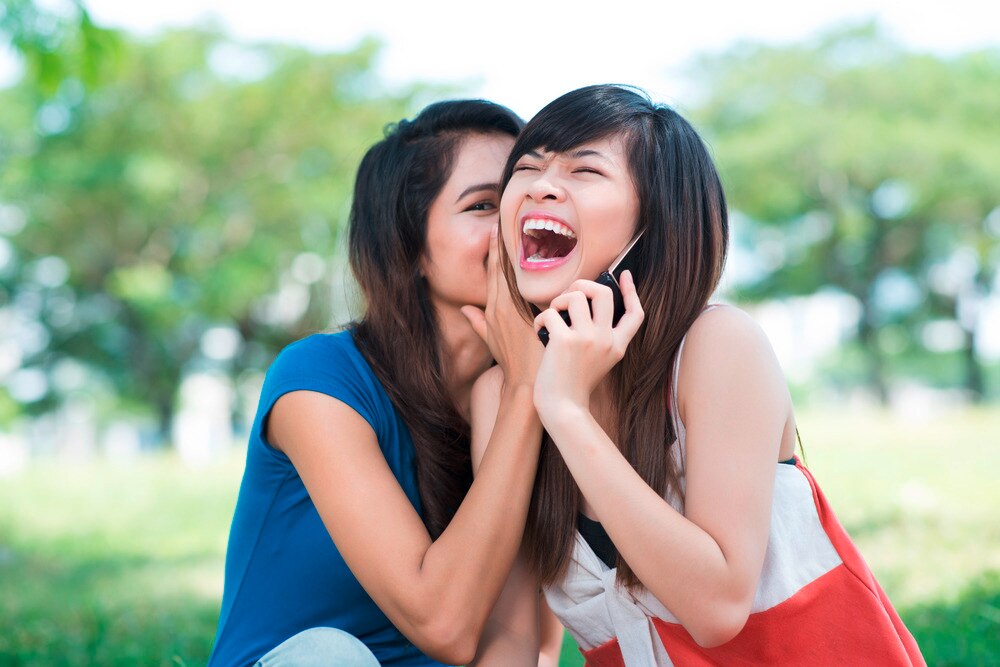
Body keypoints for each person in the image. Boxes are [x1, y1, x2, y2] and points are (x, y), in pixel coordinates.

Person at [470, 85, 925, 665]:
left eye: (585, 170)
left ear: (654, 225)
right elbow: (512, 637)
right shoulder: (500, 397)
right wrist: (533, 391)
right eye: (527, 168)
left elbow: (716, 610)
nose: (540, 185)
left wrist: (564, 410)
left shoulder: (716, 347)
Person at [208, 99, 554, 666]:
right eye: (484, 204)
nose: (517, 220)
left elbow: (520, 643)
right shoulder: (317, 381)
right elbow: (442, 626)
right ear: (410, 247)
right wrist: (524, 394)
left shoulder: (524, 397)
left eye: (520, 197)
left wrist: (525, 392)